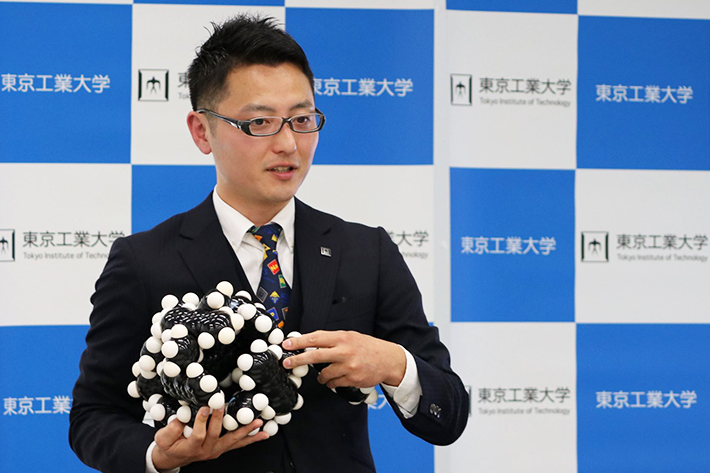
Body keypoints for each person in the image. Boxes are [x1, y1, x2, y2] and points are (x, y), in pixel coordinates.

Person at [69, 14, 468, 473]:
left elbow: (449, 415)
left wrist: (394, 365)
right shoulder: (143, 260)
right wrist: (159, 456)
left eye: (302, 119)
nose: (288, 144)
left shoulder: (366, 251)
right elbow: (91, 417)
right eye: (260, 122)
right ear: (202, 131)